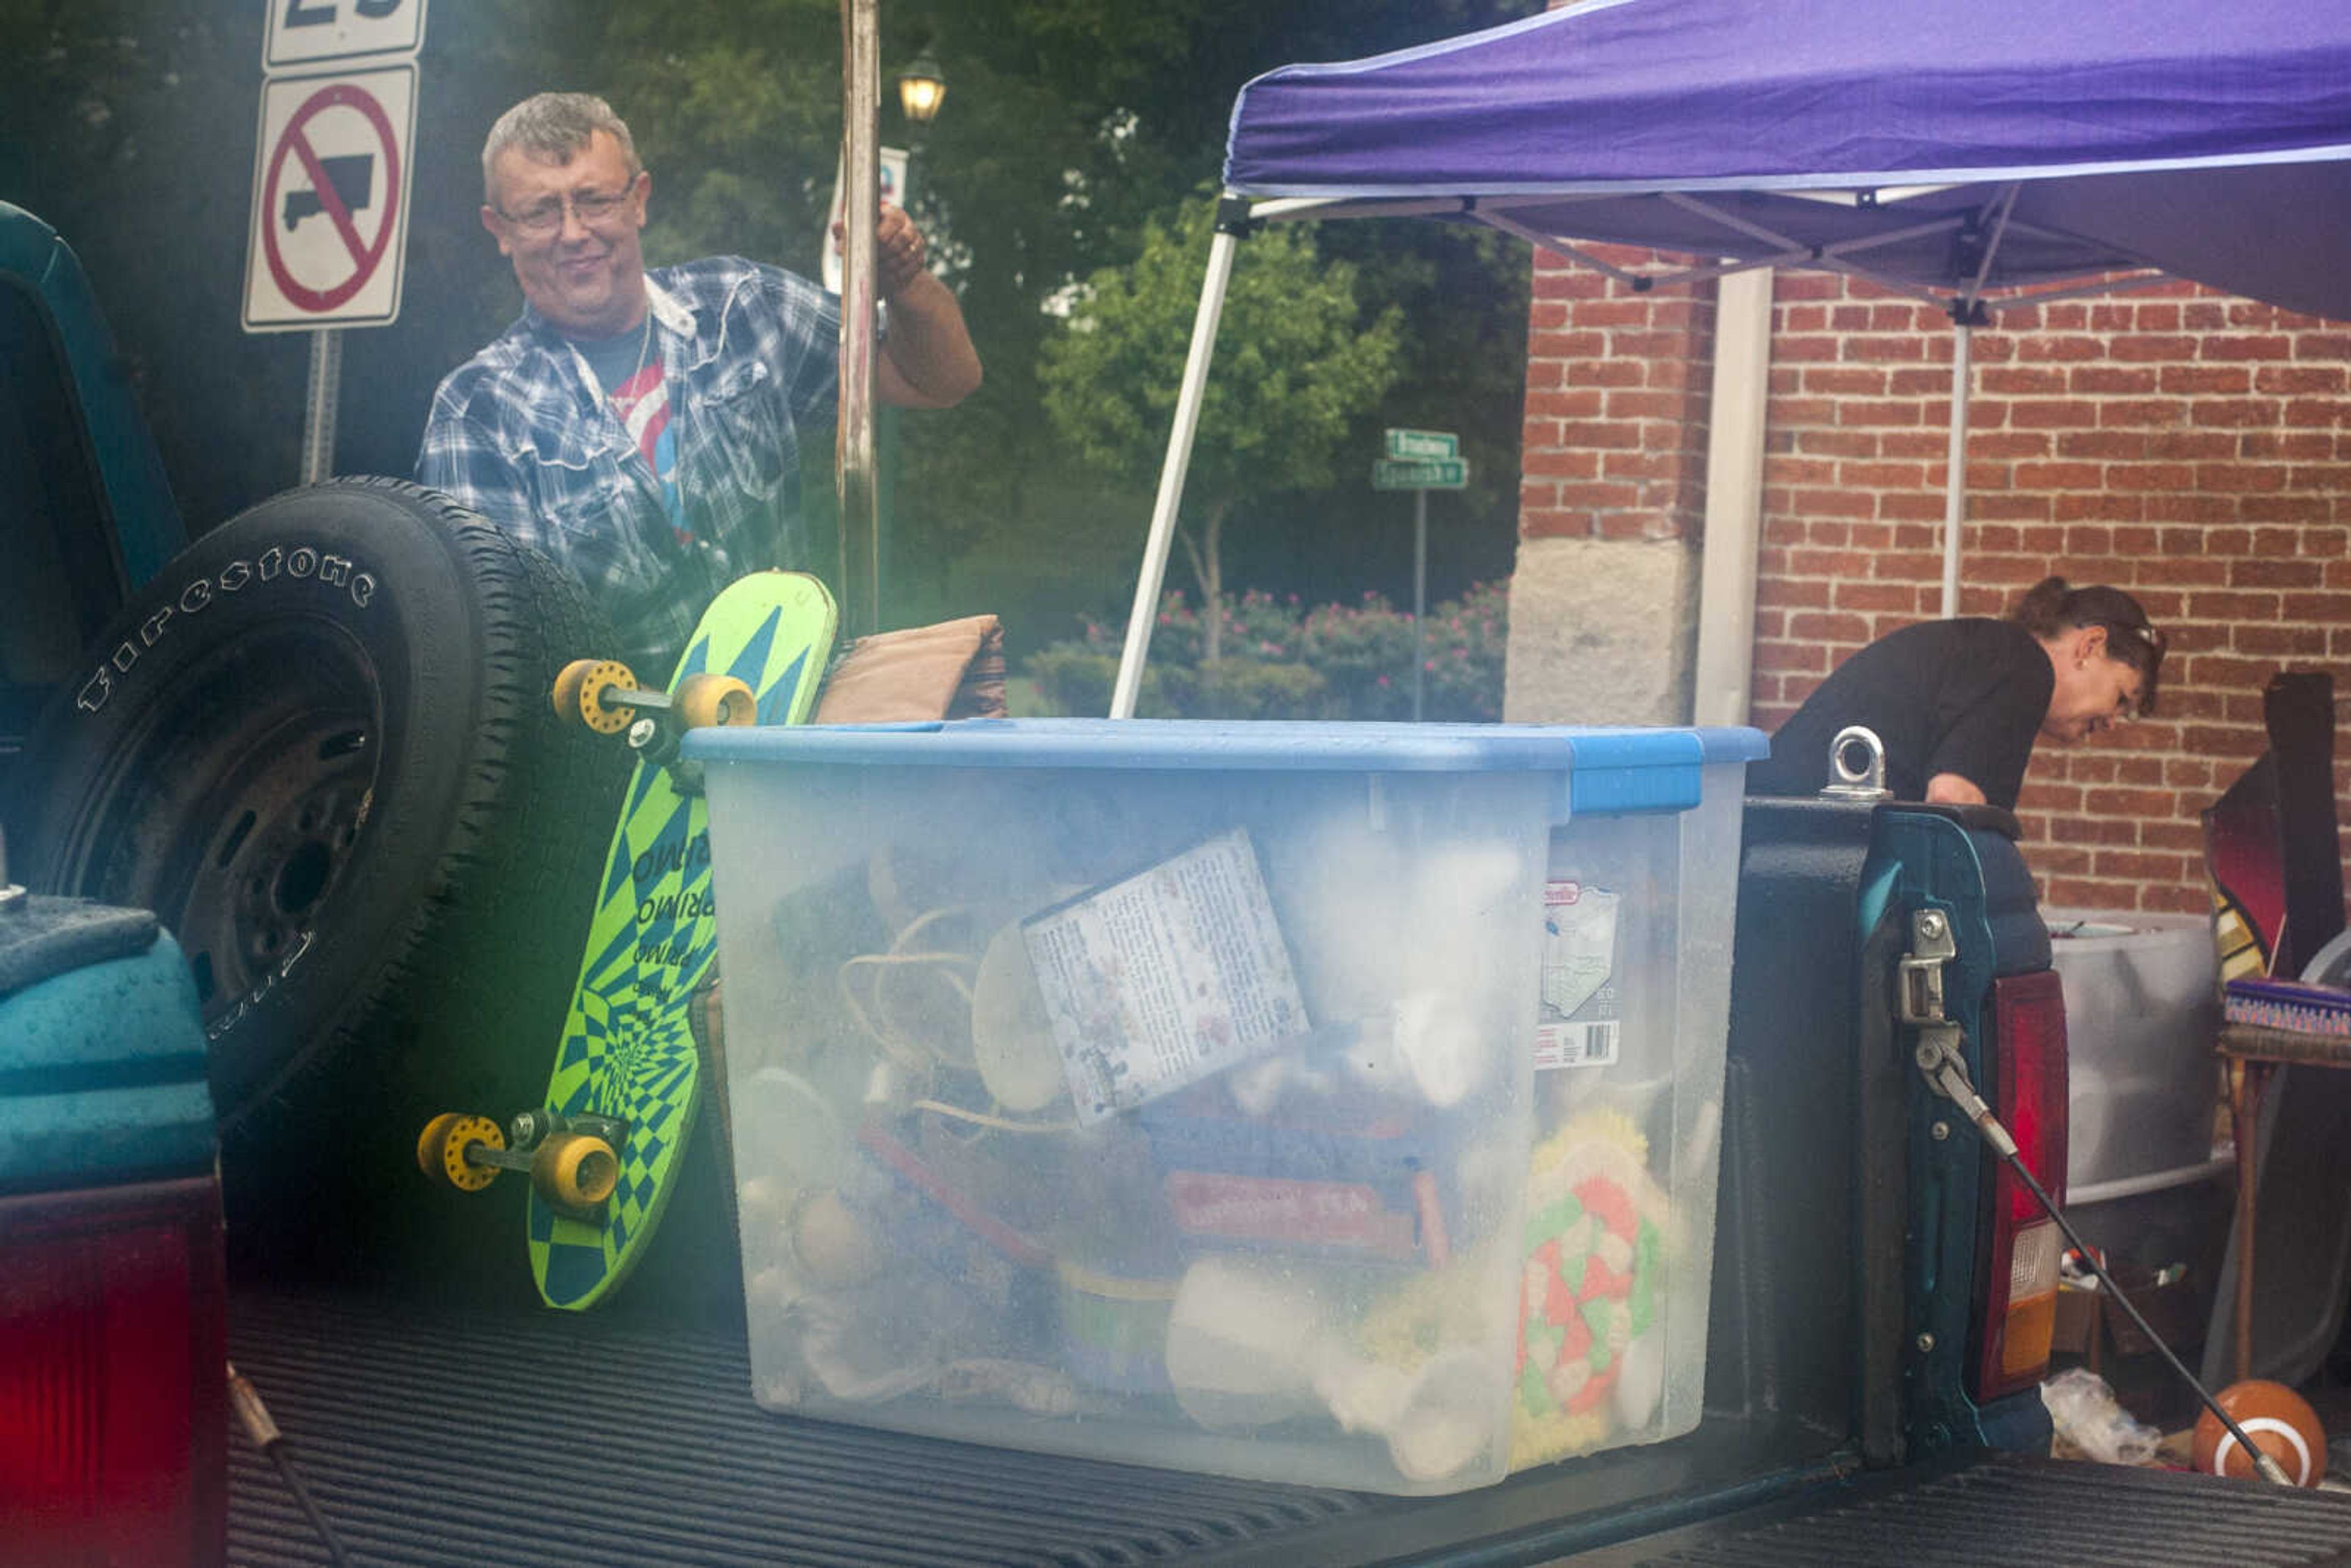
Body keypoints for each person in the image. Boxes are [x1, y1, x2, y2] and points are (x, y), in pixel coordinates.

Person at [417, 92, 981, 669]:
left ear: (639, 199)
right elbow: (499, 656)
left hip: (789, 727)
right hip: (618, 750)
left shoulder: (743, 306)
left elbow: (941, 379)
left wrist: (903, 281)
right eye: (540, 211)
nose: (573, 232)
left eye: (594, 200)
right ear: (500, 230)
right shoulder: (478, 411)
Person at [1745, 576, 2167, 811]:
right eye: (2122, 698)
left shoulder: (1990, 655)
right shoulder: (2026, 666)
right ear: (2090, 646)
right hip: (1796, 855)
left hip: (1779, 839)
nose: (2113, 721)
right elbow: (1952, 803)